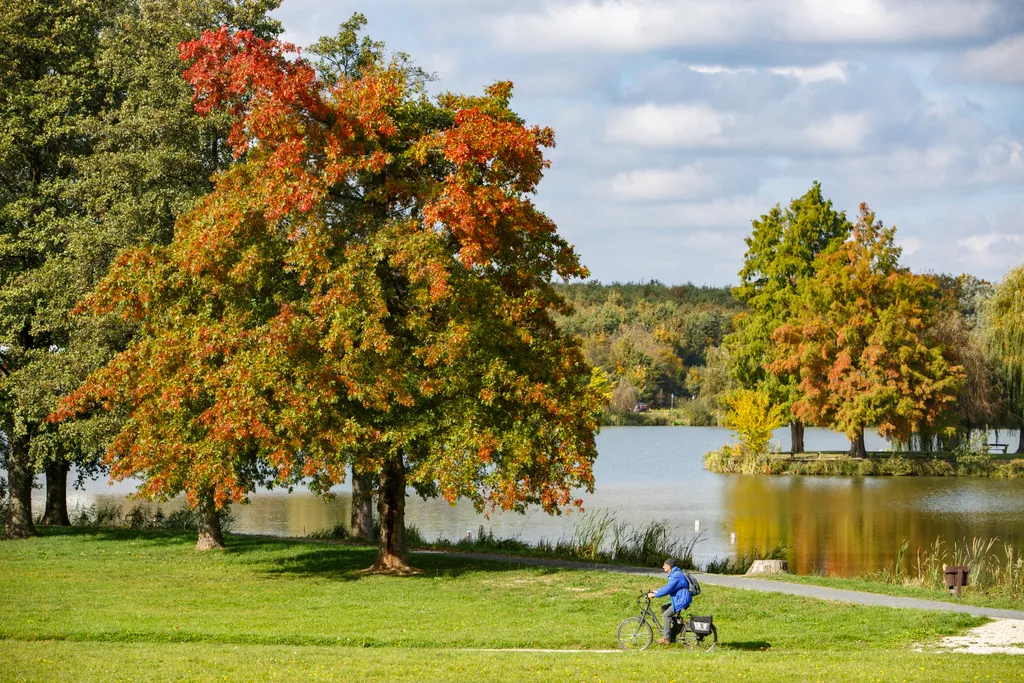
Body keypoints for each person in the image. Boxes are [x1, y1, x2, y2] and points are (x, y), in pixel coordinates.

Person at [646, 556, 693, 645]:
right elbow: (669, 587)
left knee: (666, 615)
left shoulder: (676, 575)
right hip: (679, 598)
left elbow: (668, 588)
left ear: (670, 566)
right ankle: (677, 626)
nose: (663, 566)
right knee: (664, 608)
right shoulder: (675, 574)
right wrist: (656, 591)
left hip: (682, 599)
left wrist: (655, 594)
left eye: (665, 565)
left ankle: (666, 638)